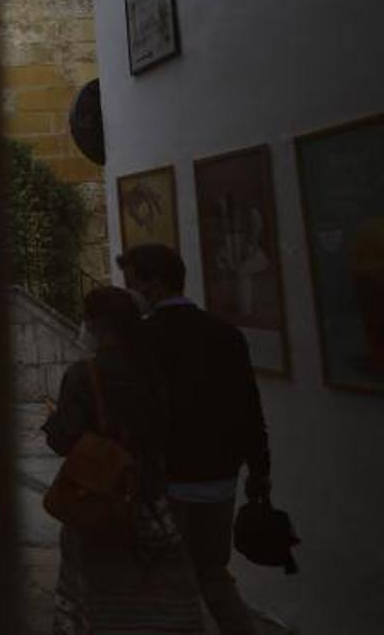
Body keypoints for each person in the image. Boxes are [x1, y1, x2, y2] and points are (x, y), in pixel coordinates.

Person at [119, 243, 270, 635]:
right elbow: (249, 408)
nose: (130, 291)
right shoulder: (226, 334)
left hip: (167, 481)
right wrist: (259, 469)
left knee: (166, 580)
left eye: (132, 283)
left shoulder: (141, 339)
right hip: (220, 479)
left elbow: (136, 414)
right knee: (213, 574)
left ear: (151, 286)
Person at [43, 287, 202, 634]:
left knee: (97, 594)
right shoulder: (154, 368)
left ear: (97, 325)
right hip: (151, 495)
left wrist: (55, 420)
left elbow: (64, 438)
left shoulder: (85, 375)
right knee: (156, 592)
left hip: (99, 495)